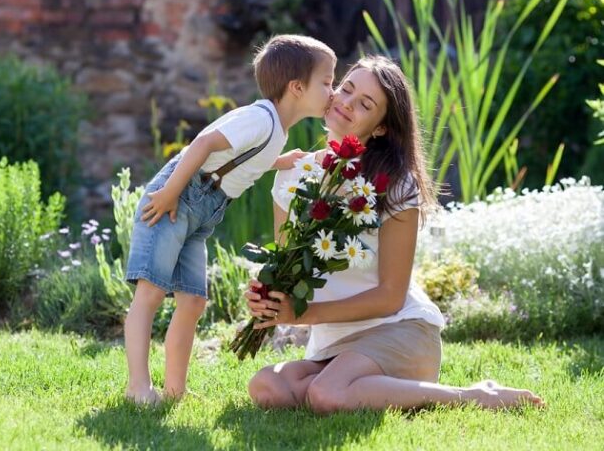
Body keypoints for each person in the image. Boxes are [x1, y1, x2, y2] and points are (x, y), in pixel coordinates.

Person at [244, 55, 545, 412]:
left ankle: (475, 395)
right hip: (337, 344)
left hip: (400, 330)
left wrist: (299, 315)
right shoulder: (293, 176)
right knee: (267, 386)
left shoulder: (395, 185)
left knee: (327, 395)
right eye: (346, 89)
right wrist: (268, 296)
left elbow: (390, 297)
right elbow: (291, 270)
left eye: (365, 104)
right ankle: (362, 387)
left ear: (381, 128)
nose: (346, 103)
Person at [123, 35, 337, 404]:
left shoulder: (275, 130)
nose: (333, 92)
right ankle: (137, 387)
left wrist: (281, 161)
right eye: (328, 82)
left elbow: (243, 158)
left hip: (201, 213)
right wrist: (172, 191)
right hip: (176, 198)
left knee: (192, 302)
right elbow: (203, 144)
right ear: (298, 87)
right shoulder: (259, 118)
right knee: (151, 292)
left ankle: (175, 391)